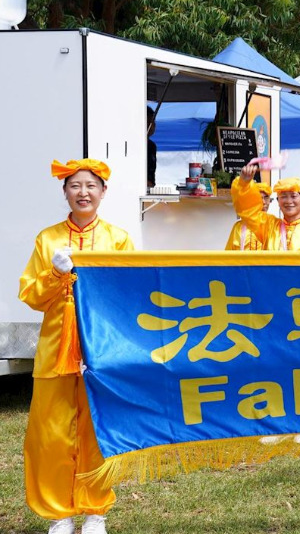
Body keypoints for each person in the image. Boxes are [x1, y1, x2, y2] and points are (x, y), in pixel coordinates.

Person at [19, 159, 134, 534]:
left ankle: (95, 511)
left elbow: (130, 292)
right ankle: (59, 514)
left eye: (90, 185)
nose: (83, 192)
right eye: (75, 186)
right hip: (55, 347)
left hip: (100, 346)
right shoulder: (47, 238)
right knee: (50, 431)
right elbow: (30, 295)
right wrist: (55, 274)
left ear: (103, 192)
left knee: (96, 427)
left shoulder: (118, 239)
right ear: (64, 192)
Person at [232, 165, 300, 251]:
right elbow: (248, 212)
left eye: (293, 196)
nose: (289, 201)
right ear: (278, 201)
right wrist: (244, 185)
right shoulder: (269, 226)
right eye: (283, 197)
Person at [224, 182, 271, 251]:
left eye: (266, 197)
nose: (263, 202)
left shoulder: (274, 226)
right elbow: (228, 256)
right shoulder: (238, 227)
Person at [146, 106, 157, 189]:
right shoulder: (134, 145)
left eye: (153, 121)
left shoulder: (151, 145)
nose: (154, 125)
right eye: (150, 121)